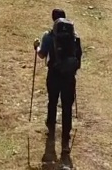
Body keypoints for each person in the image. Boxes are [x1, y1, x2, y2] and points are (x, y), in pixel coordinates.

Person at [35, 8, 82, 152]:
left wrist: (36, 47)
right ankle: (65, 138)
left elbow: (42, 55)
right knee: (67, 106)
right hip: (69, 77)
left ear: (53, 19)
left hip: (54, 74)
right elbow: (79, 57)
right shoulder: (74, 37)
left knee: (53, 101)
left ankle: (51, 128)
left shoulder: (48, 36)